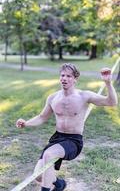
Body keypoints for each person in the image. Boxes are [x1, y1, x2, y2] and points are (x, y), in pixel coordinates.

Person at [16, 63, 118, 191]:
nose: (64, 78)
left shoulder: (84, 96)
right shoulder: (53, 98)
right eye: (62, 75)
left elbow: (112, 102)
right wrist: (26, 123)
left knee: (48, 155)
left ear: (75, 79)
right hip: (57, 139)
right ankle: (59, 184)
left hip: (73, 141)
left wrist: (108, 83)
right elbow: (42, 117)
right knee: (39, 176)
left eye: (69, 76)